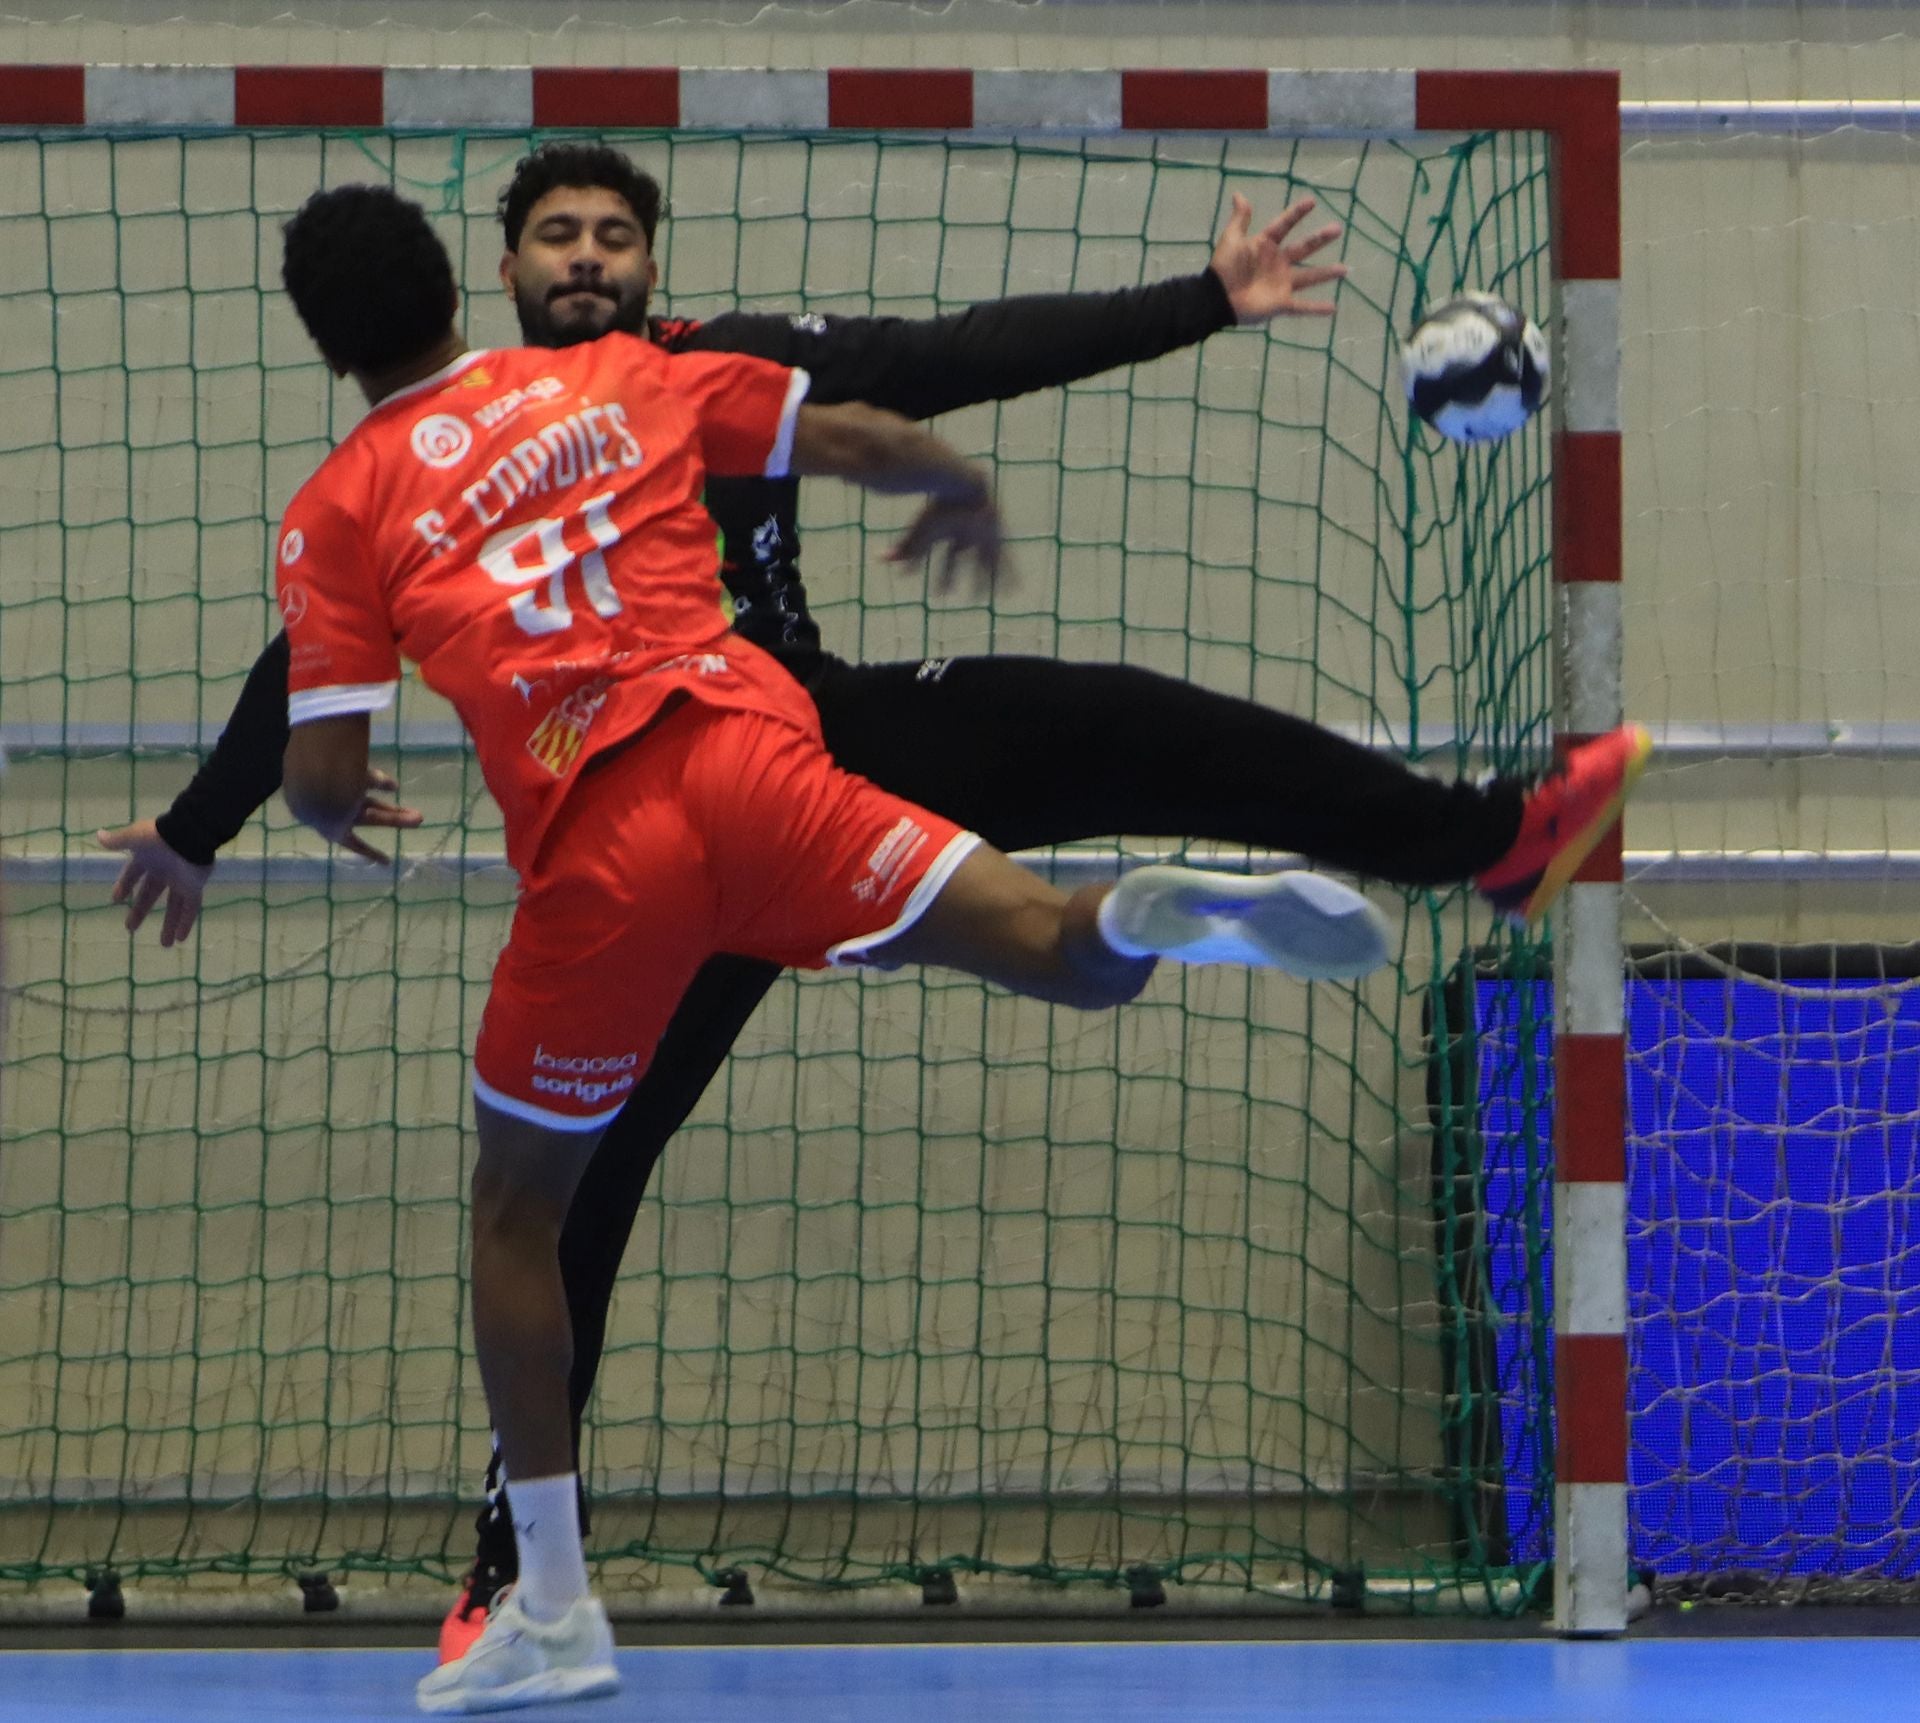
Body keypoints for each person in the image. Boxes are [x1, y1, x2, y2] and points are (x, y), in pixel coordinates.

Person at [100, 145, 1648, 1670]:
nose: (586, 256)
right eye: (558, 234)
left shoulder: (666, 369)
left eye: (614, 234)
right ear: (494, 274)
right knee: (592, 1189)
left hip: (768, 754)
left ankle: (1486, 846)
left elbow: (945, 356)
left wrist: (1201, 300)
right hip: (748, 789)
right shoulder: (537, 426)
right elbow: (300, 660)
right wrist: (192, 825)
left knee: (1126, 726)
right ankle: (509, 1570)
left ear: (651, 265)